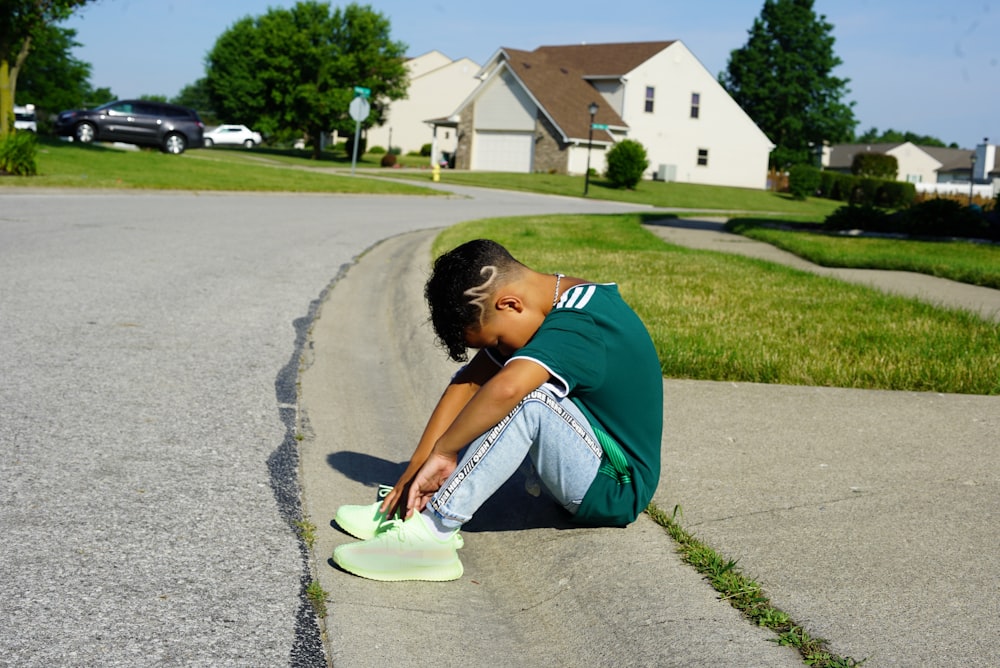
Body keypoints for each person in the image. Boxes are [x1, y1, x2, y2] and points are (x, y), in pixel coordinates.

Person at [332, 238, 663, 581]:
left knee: (527, 397)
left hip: (614, 486)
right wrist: (418, 468)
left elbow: (507, 389)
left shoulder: (580, 323)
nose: (497, 351)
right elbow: (469, 383)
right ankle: (414, 508)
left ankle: (432, 536)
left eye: (495, 342)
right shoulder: (545, 305)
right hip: (580, 456)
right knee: (499, 390)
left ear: (509, 304)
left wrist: (445, 451)